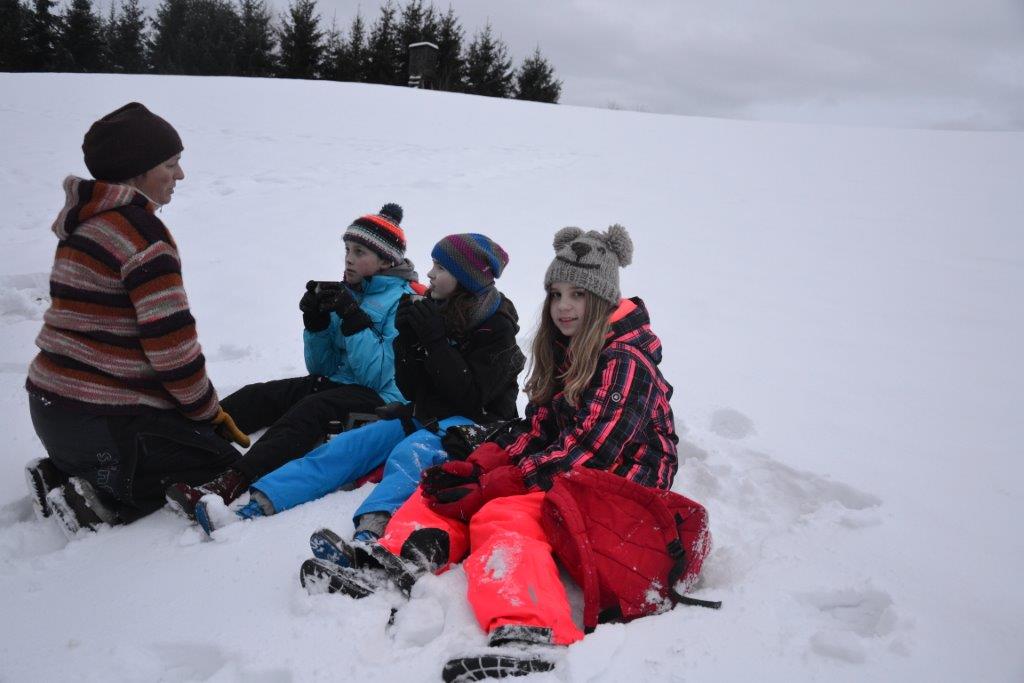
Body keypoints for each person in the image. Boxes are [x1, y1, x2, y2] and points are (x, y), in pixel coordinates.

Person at [299, 225, 680, 680]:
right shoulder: (569, 349)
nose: (563, 306)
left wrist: (500, 483)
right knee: (444, 486)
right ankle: (395, 561)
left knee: (506, 515)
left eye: (578, 294)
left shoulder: (625, 362)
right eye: (556, 294)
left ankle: (533, 632)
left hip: (621, 490)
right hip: (571, 469)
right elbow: (540, 429)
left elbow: (588, 454)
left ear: (602, 300)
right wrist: (482, 463)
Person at [193, 234, 525, 540]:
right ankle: (257, 504)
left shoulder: (497, 329)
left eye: (441, 267)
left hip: (472, 426)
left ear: (466, 278)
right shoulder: (435, 309)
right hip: (424, 413)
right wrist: (407, 341)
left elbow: (470, 398)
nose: (430, 273)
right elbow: (411, 389)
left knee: (409, 456)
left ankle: (372, 530)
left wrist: (434, 341)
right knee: (347, 447)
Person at [23, 102, 247, 537]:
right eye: (170, 164)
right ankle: (98, 499)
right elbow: (173, 352)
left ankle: (61, 472)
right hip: (101, 423)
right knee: (221, 463)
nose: (180, 175)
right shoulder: (142, 237)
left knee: (175, 437)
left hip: (50, 410)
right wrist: (206, 412)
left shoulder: (86, 226)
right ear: (137, 171)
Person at [164, 204, 419, 518]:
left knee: (309, 412)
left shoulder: (404, 302)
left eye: (360, 252)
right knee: (259, 396)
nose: (349, 258)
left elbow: (377, 376)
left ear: (386, 260)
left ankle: (230, 482)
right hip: (341, 383)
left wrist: (353, 319)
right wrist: (316, 324)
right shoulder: (349, 292)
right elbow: (323, 369)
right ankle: (178, 449)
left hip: (381, 398)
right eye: (347, 249)